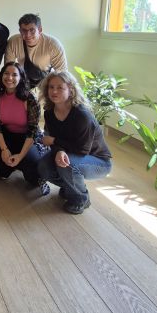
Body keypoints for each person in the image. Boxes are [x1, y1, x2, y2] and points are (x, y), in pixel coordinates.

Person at [38, 71, 112, 214]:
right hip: (70, 152)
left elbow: (82, 149)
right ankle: (71, 187)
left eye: (60, 87)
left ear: (70, 89)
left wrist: (55, 142)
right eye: (51, 87)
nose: (54, 91)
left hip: (97, 160)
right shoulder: (49, 112)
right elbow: (53, 138)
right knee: (43, 167)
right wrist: (59, 150)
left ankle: (81, 199)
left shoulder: (82, 115)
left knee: (67, 164)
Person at [0, 61, 50, 194]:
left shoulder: (30, 99)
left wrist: (21, 156)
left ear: (21, 78)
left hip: (27, 138)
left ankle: (22, 165)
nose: (9, 78)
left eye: (14, 75)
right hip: (7, 135)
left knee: (32, 177)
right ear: (1, 76)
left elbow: (32, 131)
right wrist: (4, 149)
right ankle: (8, 166)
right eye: (6, 74)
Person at [5, 13, 67, 88]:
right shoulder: (13, 42)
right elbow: (8, 69)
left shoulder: (53, 45)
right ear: (20, 31)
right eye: (24, 30)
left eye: (32, 30)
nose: (28, 35)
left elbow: (62, 74)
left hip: (46, 82)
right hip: (23, 80)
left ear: (40, 30)